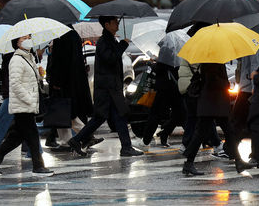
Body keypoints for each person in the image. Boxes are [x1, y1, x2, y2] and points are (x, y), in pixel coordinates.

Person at [67, 16, 144, 157]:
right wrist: (122, 45)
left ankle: (125, 147)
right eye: (115, 22)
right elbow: (110, 58)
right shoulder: (104, 42)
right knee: (102, 117)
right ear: (107, 24)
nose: (117, 24)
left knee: (116, 116)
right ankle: (77, 140)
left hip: (111, 87)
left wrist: (120, 44)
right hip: (107, 89)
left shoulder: (109, 39)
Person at [0, 35, 53, 177]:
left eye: (29, 37)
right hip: (23, 104)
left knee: (18, 136)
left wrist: (39, 74)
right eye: (23, 38)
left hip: (28, 104)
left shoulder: (29, 58)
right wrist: (28, 99)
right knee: (32, 134)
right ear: (17, 43)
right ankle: (38, 167)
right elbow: (15, 84)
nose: (27, 40)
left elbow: (30, 81)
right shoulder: (16, 59)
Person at [45, 28, 101, 150]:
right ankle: (81, 137)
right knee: (66, 112)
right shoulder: (74, 35)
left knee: (64, 112)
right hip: (74, 81)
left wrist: (54, 80)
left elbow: (59, 62)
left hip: (62, 82)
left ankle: (77, 138)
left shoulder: (60, 37)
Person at [182, 62, 240, 176]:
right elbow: (212, 80)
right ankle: (188, 163)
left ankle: (239, 161)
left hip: (213, 103)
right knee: (203, 134)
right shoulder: (212, 60)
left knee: (229, 131)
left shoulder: (212, 59)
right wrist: (226, 84)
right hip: (212, 103)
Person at [141, 60, 185, 147]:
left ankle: (157, 136)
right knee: (175, 114)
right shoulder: (176, 54)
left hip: (168, 88)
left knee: (176, 114)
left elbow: (159, 68)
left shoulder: (169, 52)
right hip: (170, 89)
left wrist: (153, 64)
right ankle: (149, 138)